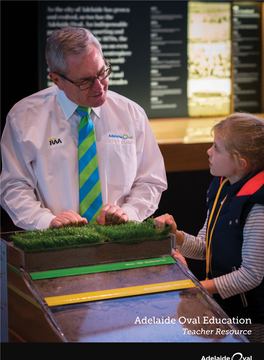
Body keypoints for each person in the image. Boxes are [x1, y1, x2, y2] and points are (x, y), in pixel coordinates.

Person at [0, 27, 167, 230]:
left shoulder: (132, 114)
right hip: (53, 245)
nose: (99, 87)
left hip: (121, 242)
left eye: (102, 73)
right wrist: (46, 221)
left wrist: (129, 214)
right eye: (85, 81)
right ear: (57, 80)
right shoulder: (24, 119)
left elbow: (150, 180)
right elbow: (13, 186)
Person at [154, 113, 264, 342]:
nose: (208, 151)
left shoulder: (258, 207)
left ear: (240, 163)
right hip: (226, 309)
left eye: (216, 147)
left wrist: (197, 289)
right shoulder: (223, 185)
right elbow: (206, 248)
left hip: (252, 321)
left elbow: (251, 275)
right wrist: (176, 236)